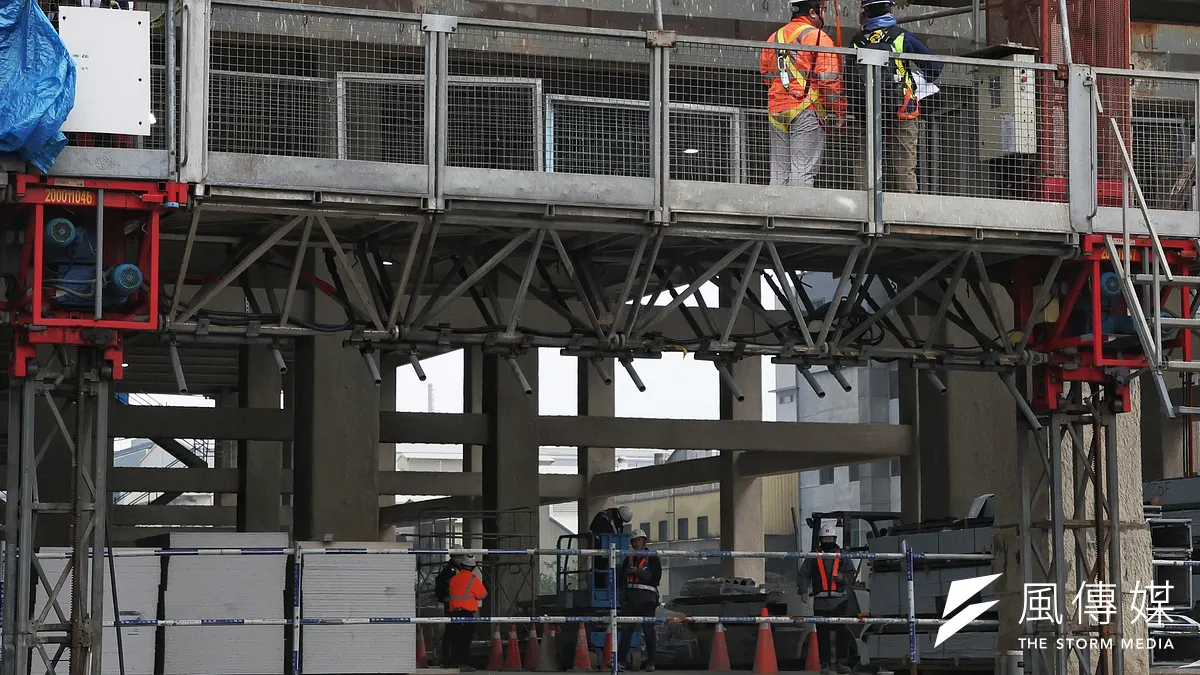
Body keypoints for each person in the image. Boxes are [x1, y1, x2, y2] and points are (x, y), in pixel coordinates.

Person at [848, 0, 943, 193]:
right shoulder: (901, 37)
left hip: (867, 111)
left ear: (864, 13)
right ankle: (905, 216)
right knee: (904, 167)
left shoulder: (857, 41)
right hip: (902, 109)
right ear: (891, 10)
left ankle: (864, 215)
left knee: (865, 167)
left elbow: (848, 79)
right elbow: (934, 68)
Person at [759, 0, 847, 188]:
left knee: (779, 171)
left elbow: (766, 75)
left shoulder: (774, 37)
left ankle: (776, 214)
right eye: (823, 10)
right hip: (806, 108)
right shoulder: (818, 37)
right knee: (802, 169)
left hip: (777, 110)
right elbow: (829, 81)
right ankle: (798, 216)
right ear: (813, 12)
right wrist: (839, 111)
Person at [797, 524, 856, 674]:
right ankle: (825, 664)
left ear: (835, 539)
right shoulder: (813, 555)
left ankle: (842, 663)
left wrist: (842, 578)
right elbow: (804, 573)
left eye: (830, 538)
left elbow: (851, 573)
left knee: (842, 632)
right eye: (825, 538)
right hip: (821, 601)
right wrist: (803, 590)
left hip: (840, 600)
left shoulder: (843, 555)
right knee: (822, 634)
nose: (828, 541)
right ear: (820, 539)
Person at [617, 529, 661, 672]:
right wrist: (623, 598)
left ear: (644, 541)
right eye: (635, 541)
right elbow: (621, 580)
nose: (637, 543)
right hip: (631, 600)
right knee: (626, 631)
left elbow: (655, 578)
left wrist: (637, 571)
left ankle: (651, 662)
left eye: (639, 540)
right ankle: (621, 661)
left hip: (647, 601)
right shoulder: (628, 558)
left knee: (648, 632)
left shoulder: (652, 557)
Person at [444, 555, 487, 672]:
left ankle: (453, 663)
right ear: (473, 567)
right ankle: (463, 664)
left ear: (462, 566)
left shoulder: (453, 579)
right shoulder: (473, 580)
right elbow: (483, 595)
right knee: (465, 640)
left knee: (454, 639)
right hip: (466, 614)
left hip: (453, 614)